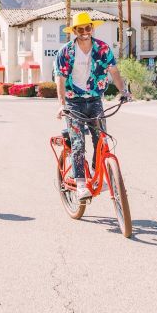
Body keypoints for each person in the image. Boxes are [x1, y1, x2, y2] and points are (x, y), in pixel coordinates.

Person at [56, 12, 130, 201]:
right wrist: (61, 104)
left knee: (101, 139)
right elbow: (60, 80)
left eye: (87, 28)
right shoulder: (65, 52)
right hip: (74, 102)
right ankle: (80, 184)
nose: (84, 32)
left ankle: (98, 175)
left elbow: (114, 71)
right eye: (80, 29)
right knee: (78, 143)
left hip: (95, 99)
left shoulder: (103, 49)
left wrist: (124, 91)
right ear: (74, 31)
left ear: (92, 28)